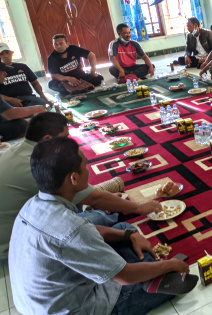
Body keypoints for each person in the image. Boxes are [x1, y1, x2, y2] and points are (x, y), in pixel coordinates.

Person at [9, 137, 195, 314]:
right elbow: (125, 276)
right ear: (74, 179)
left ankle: (142, 266)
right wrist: (169, 265)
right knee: (172, 283)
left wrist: (128, 235)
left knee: (123, 229)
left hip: (36, 304)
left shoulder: (33, 205)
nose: (88, 170)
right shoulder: (70, 227)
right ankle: (149, 271)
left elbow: (86, 232)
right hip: (76, 309)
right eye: (86, 166)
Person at [0, 112, 162, 261]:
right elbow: (94, 197)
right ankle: (108, 214)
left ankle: (107, 213)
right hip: (16, 245)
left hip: (31, 225)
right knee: (104, 219)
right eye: (65, 137)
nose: (70, 142)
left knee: (101, 213)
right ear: (48, 139)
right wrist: (139, 208)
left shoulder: (20, 150)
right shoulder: (38, 165)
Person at [0, 63, 46, 141]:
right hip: (9, 103)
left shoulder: (22, 66)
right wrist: (38, 108)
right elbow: (11, 114)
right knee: (20, 125)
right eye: (3, 72)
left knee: (39, 102)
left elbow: (35, 82)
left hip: (25, 98)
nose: (5, 74)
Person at [0, 43, 52, 107]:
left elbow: (35, 83)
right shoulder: (0, 72)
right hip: (8, 101)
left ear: (11, 53)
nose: (6, 56)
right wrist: (11, 100)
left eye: (7, 53)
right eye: (2, 54)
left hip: (27, 98)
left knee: (41, 102)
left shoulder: (22, 67)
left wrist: (42, 95)